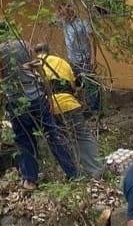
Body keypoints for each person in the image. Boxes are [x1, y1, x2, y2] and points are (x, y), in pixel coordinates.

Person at [0, 31, 78, 190]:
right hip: (37, 98)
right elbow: (40, 71)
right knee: (53, 135)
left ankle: (30, 180)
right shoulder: (24, 44)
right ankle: (73, 173)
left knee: (25, 142)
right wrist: (49, 95)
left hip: (18, 104)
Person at [34, 42, 103, 178]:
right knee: (83, 136)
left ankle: (73, 173)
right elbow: (73, 86)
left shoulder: (35, 66)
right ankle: (96, 170)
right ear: (49, 50)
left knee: (59, 140)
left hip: (50, 108)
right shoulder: (62, 62)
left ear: (36, 53)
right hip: (70, 104)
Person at [57, 3, 101, 115]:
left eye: (67, 8)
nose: (64, 12)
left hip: (85, 59)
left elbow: (92, 40)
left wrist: (93, 58)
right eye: (63, 10)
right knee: (76, 85)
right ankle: (85, 108)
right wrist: (60, 11)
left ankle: (96, 110)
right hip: (72, 61)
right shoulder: (64, 24)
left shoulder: (83, 23)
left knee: (90, 84)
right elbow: (51, 19)